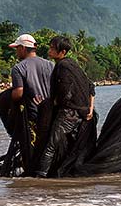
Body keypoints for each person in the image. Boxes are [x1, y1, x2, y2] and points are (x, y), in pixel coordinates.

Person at [35, 35, 95, 178]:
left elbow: (64, 94)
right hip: (83, 113)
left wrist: (47, 105)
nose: (49, 50)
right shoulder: (73, 64)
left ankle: (39, 179)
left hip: (69, 114)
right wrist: (90, 109)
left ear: (62, 52)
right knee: (73, 147)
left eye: (52, 48)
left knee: (50, 146)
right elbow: (91, 87)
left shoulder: (62, 66)